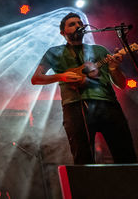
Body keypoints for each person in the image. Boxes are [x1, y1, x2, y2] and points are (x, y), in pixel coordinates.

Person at [31, 12, 136, 164]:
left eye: (80, 23)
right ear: (62, 32)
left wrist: (113, 68)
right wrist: (61, 76)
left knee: (126, 155)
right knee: (83, 158)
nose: (78, 26)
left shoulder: (99, 50)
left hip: (108, 105)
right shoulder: (54, 52)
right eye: (72, 24)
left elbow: (121, 84)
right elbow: (36, 79)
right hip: (75, 107)